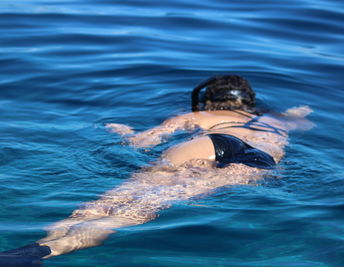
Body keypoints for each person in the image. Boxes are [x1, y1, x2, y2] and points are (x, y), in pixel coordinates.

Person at [0, 75, 313, 266]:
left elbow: (141, 143)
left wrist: (123, 131)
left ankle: (36, 249)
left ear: (210, 101)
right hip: (260, 161)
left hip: (210, 140)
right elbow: (304, 114)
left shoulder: (205, 116)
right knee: (152, 203)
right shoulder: (279, 121)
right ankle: (46, 252)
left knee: (116, 198)